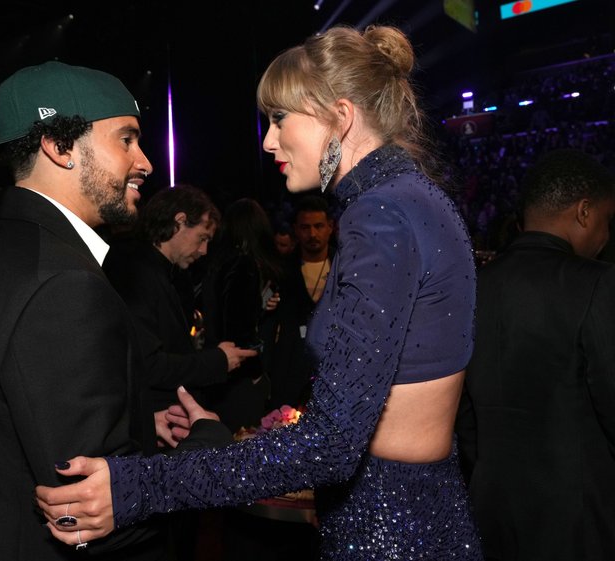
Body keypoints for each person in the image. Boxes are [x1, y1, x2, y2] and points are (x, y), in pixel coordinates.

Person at [36, 24, 483, 560]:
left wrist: (135, 486)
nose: (268, 140)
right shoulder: (417, 197)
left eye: (279, 118)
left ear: (339, 116)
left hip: (387, 523)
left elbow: (331, 445)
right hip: (421, 509)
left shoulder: (381, 215)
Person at [0, 61, 226, 561]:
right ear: (59, 147)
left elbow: (8, 423)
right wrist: (208, 442)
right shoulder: (61, 281)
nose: (145, 161)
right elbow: (87, 516)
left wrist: (139, 426)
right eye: (126, 139)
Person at [455, 148, 615, 560]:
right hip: (581, 521)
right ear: (584, 212)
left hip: (489, 513)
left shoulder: (472, 288)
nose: (606, 236)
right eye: (605, 220)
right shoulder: (598, 284)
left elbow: (463, 416)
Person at [103, 184, 256, 417]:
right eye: (202, 238)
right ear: (179, 222)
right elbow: (147, 366)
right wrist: (217, 361)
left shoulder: (165, 272)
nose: (204, 250)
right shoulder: (133, 270)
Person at [198, 197, 283, 432]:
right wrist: (257, 375)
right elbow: (239, 327)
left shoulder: (216, 262)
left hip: (217, 371)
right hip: (239, 375)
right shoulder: (242, 264)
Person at [265, 194, 336, 409]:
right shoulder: (281, 270)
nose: (312, 234)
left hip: (334, 367)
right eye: (305, 227)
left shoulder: (345, 268)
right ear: (295, 229)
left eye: (318, 226)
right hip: (289, 371)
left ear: (330, 227)